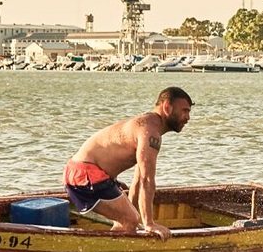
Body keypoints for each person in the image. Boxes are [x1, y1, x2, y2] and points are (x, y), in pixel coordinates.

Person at [63, 87, 194, 240]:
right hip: (85, 175)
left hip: (84, 173)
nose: (188, 117)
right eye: (184, 110)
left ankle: (111, 251)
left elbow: (138, 180)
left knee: (128, 220)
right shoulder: (150, 132)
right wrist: (149, 223)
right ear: (167, 107)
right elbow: (147, 180)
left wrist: (134, 213)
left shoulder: (150, 128)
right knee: (130, 219)